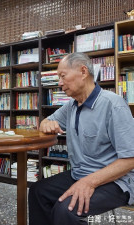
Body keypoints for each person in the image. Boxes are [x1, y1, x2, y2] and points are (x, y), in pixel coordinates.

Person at [28, 52, 134, 225]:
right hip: (80, 175)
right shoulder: (71, 106)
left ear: (83, 72)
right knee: (38, 191)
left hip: (116, 181)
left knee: (66, 210)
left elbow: (130, 160)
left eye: (62, 76)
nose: (59, 83)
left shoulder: (113, 104)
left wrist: (89, 182)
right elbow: (46, 122)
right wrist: (46, 123)